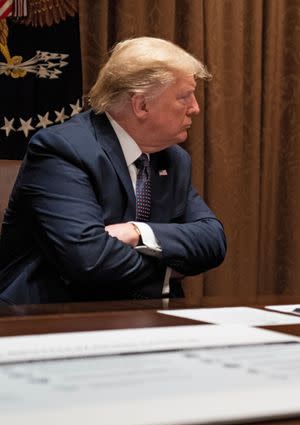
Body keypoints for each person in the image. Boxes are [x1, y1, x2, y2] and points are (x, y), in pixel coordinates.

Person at [0, 37, 227, 304]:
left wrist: (137, 232)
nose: (195, 108)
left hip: (144, 320)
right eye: (184, 96)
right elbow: (90, 260)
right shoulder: (62, 150)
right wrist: (169, 270)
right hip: (52, 321)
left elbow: (213, 240)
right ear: (141, 105)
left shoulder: (173, 159)